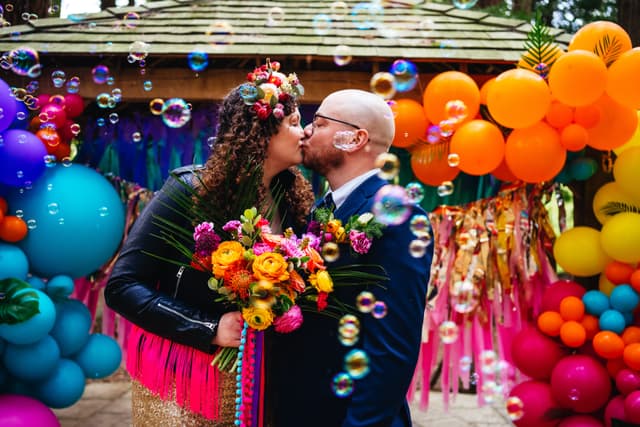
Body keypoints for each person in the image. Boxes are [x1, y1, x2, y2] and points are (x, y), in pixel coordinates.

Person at [104, 59, 313, 426]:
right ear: (261, 131)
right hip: (182, 375)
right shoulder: (189, 190)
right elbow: (122, 286)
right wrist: (209, 328)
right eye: (294, 123)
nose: (305, 133)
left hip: (257, 377)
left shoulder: (292, 202)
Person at [270, 89, 433, 427]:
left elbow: (392, 346)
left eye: (320, 122)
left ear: (355, 139)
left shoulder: (395, 215)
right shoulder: (321, 209)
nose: (307, 132)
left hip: (352, 417)